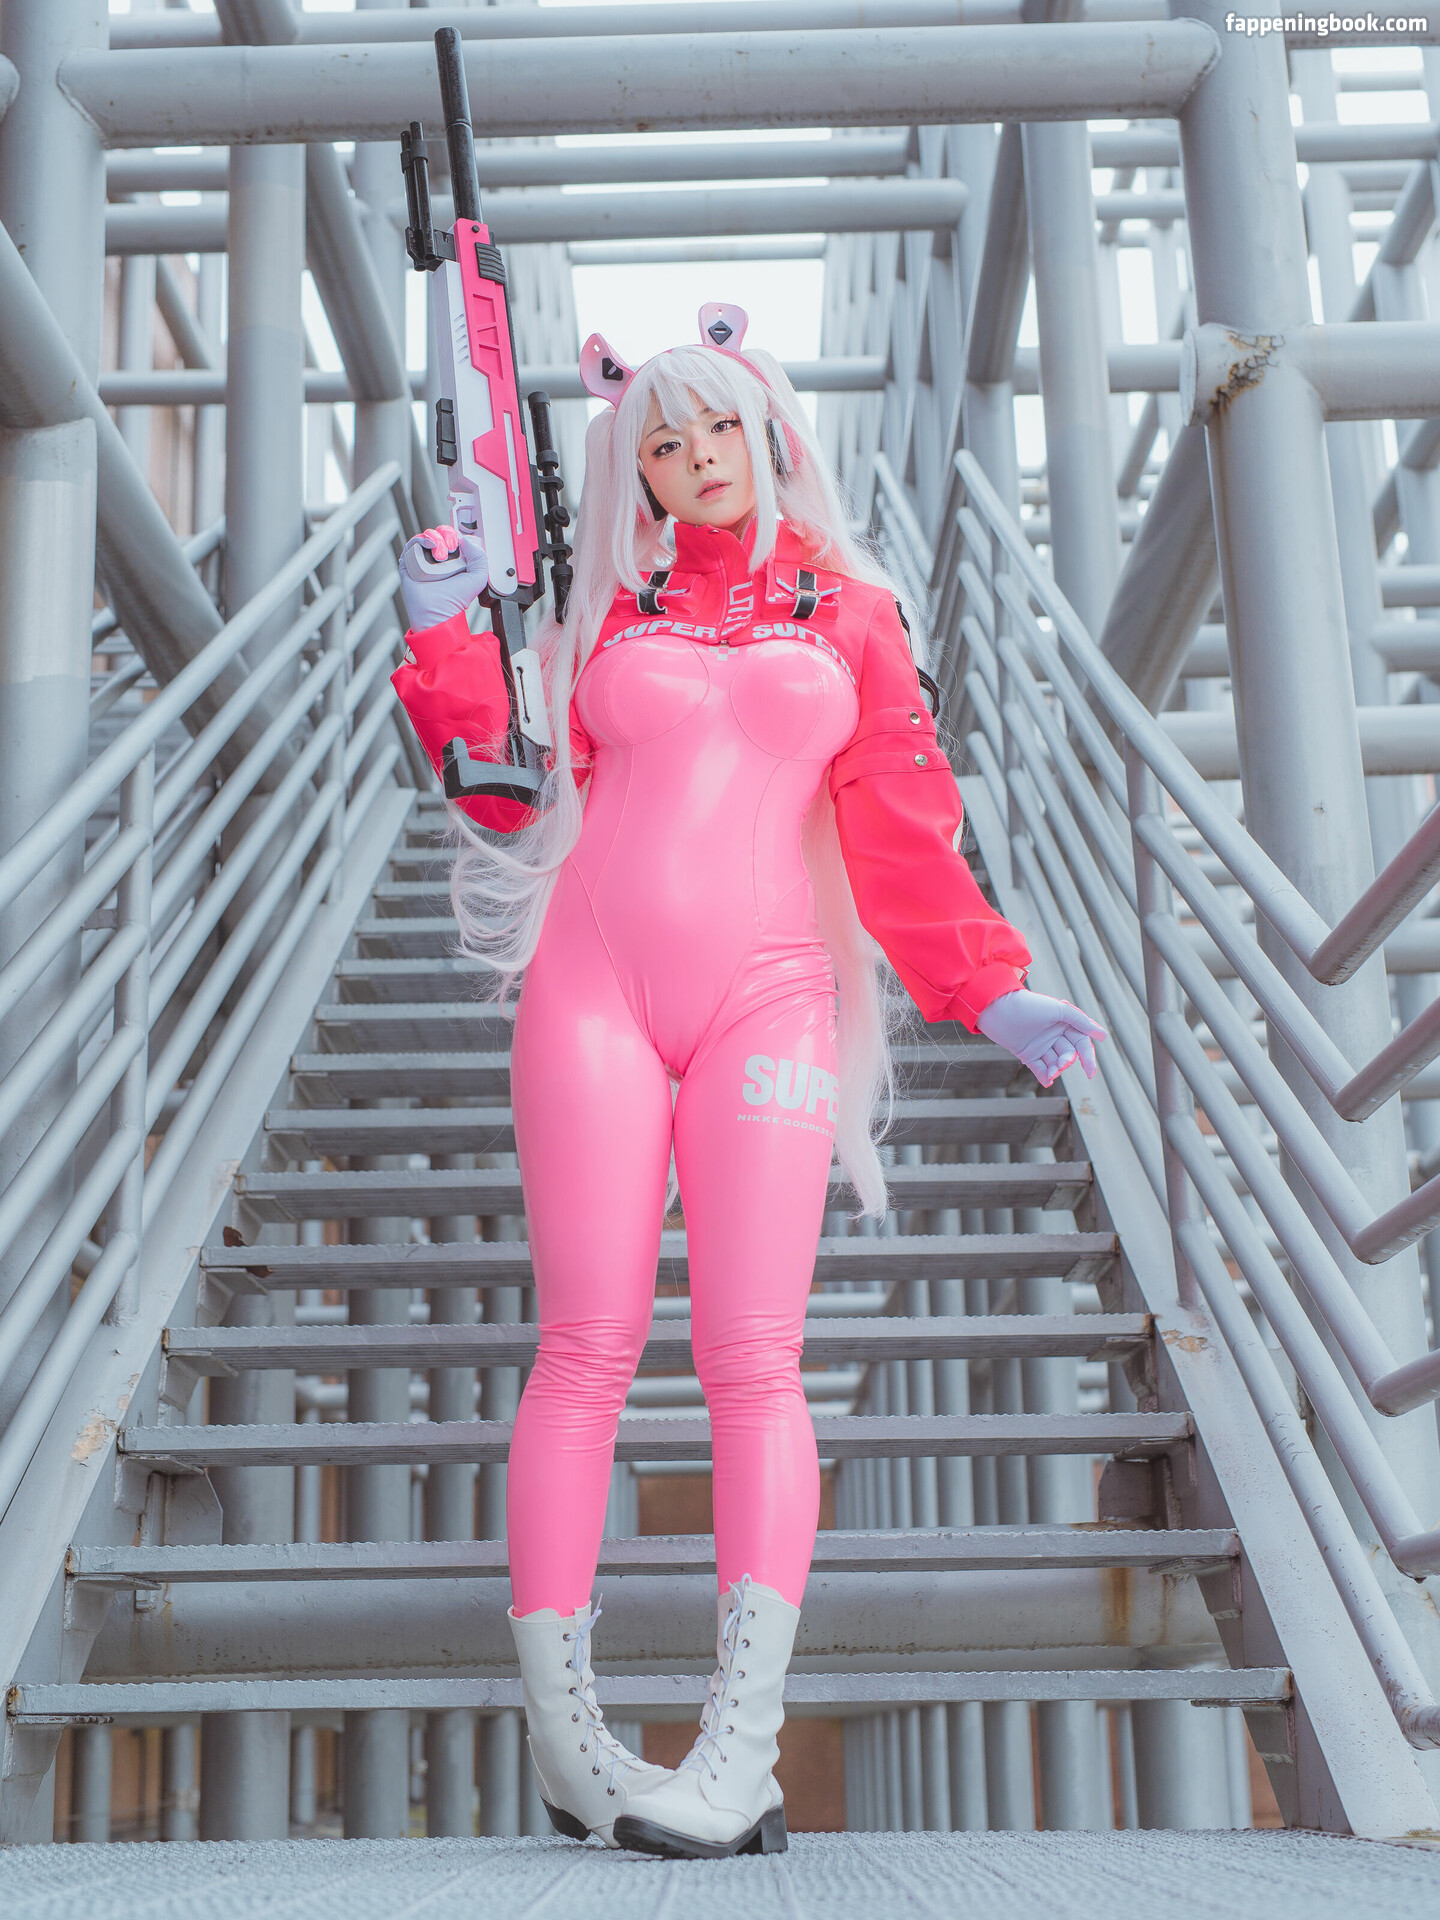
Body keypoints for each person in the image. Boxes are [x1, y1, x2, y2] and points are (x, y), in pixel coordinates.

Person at [391, 304, 1106, 1860]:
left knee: (752, 1362)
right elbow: (508, 792)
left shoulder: (853, 611)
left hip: (772, 1003)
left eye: (720, 425)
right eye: (663, 438)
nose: (697, 456)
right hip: (587, 992)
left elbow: (902, 819)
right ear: (634, 467)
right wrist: (445, 630)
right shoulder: (604, 613)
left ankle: (740, 1752)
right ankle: (570, 1745)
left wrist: (988, 988)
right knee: (579, 1349)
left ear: (771, 430)